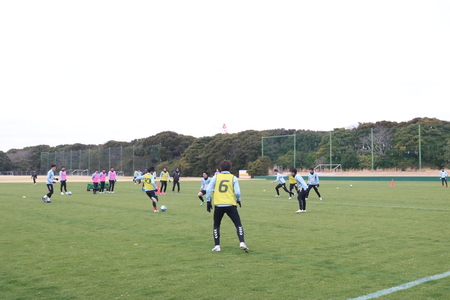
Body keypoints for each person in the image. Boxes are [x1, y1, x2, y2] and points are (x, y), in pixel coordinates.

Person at [206, 160, 249, 253]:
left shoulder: (215, 177)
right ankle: (242, 242)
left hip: (219, 205)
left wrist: (208, 201)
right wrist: (238, 199)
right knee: (238, 224)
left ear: (220, 168)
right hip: (230, 204)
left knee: (216, 225)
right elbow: (237, 192)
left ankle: (217, 246)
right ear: (230, 168)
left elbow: (208, 189)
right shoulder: (233, 178)